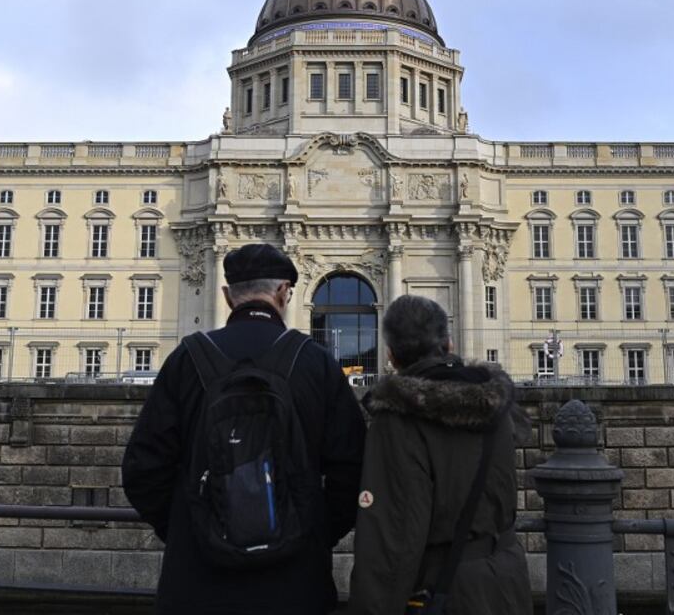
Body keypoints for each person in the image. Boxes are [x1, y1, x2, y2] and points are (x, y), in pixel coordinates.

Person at [122, 243, 368, 615]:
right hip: (294, 584)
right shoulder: (316, 363)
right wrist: (308, 530)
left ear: (227, 295)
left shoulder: (187, 358)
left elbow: (143, 469)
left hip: (196, 584)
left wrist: (192, 527)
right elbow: (351, 472)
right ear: (284, 292)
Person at [348, 295, 531, 615]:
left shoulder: (398, 420)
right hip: (507, 581)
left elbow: (392, 542)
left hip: (444, 591)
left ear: (390, 355)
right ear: (449, 343)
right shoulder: (497, 406)